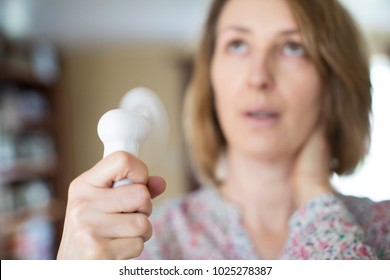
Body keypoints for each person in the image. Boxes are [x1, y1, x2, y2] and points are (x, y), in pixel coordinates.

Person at [57, 0, 390, 260]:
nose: (258, 77)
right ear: (211, 79)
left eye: (293, 47)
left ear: (334, 82)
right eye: (237, 45)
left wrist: (316, 197)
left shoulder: (382, 229)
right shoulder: (147, 240)